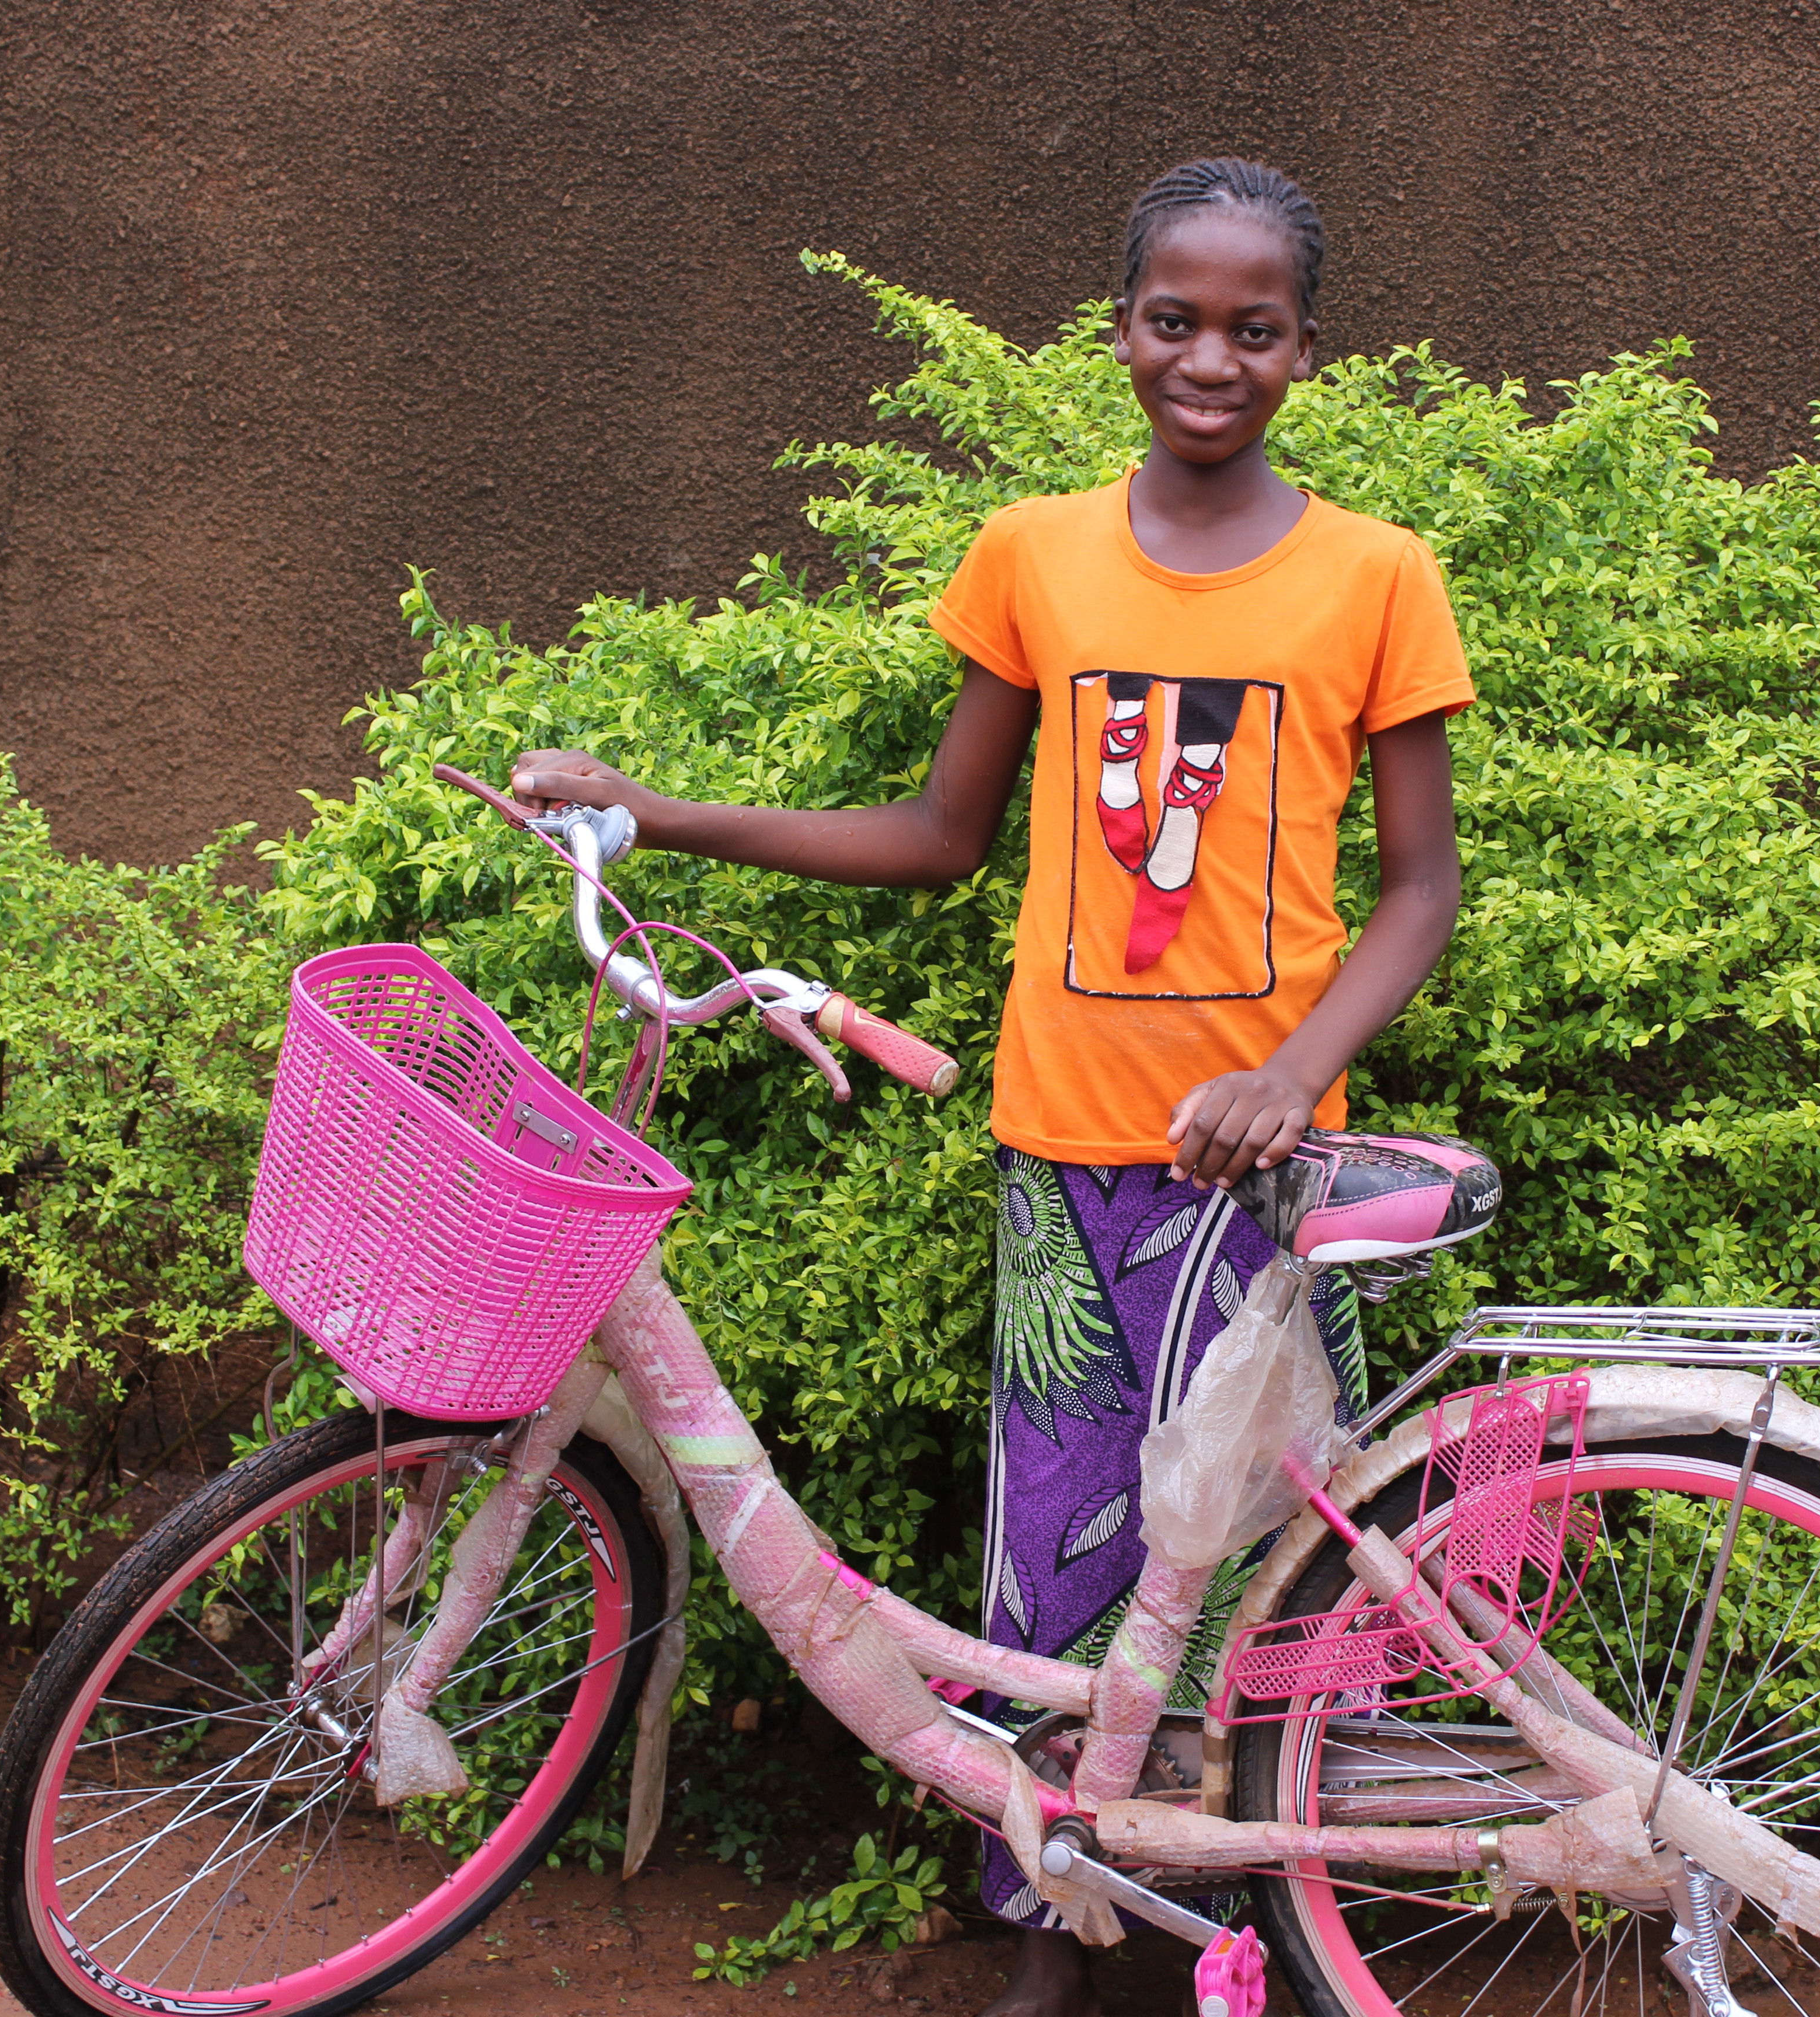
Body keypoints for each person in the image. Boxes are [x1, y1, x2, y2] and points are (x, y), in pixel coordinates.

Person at [512, 156, 1471, 2017]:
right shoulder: (1036, 553)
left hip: (1255, 1181)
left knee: (1261, 1576)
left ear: (1305, 349)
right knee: (1053, 1566)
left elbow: (1424, 888)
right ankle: (1050, 1927)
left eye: (1252, 328)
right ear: (1118, 332)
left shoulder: (1376, 577)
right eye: (1173, 320)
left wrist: (1293, 1070)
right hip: (1060, 1148)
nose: (1211, 357)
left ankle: (1274, 1929)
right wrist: (660, 812)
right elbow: (943, 832)